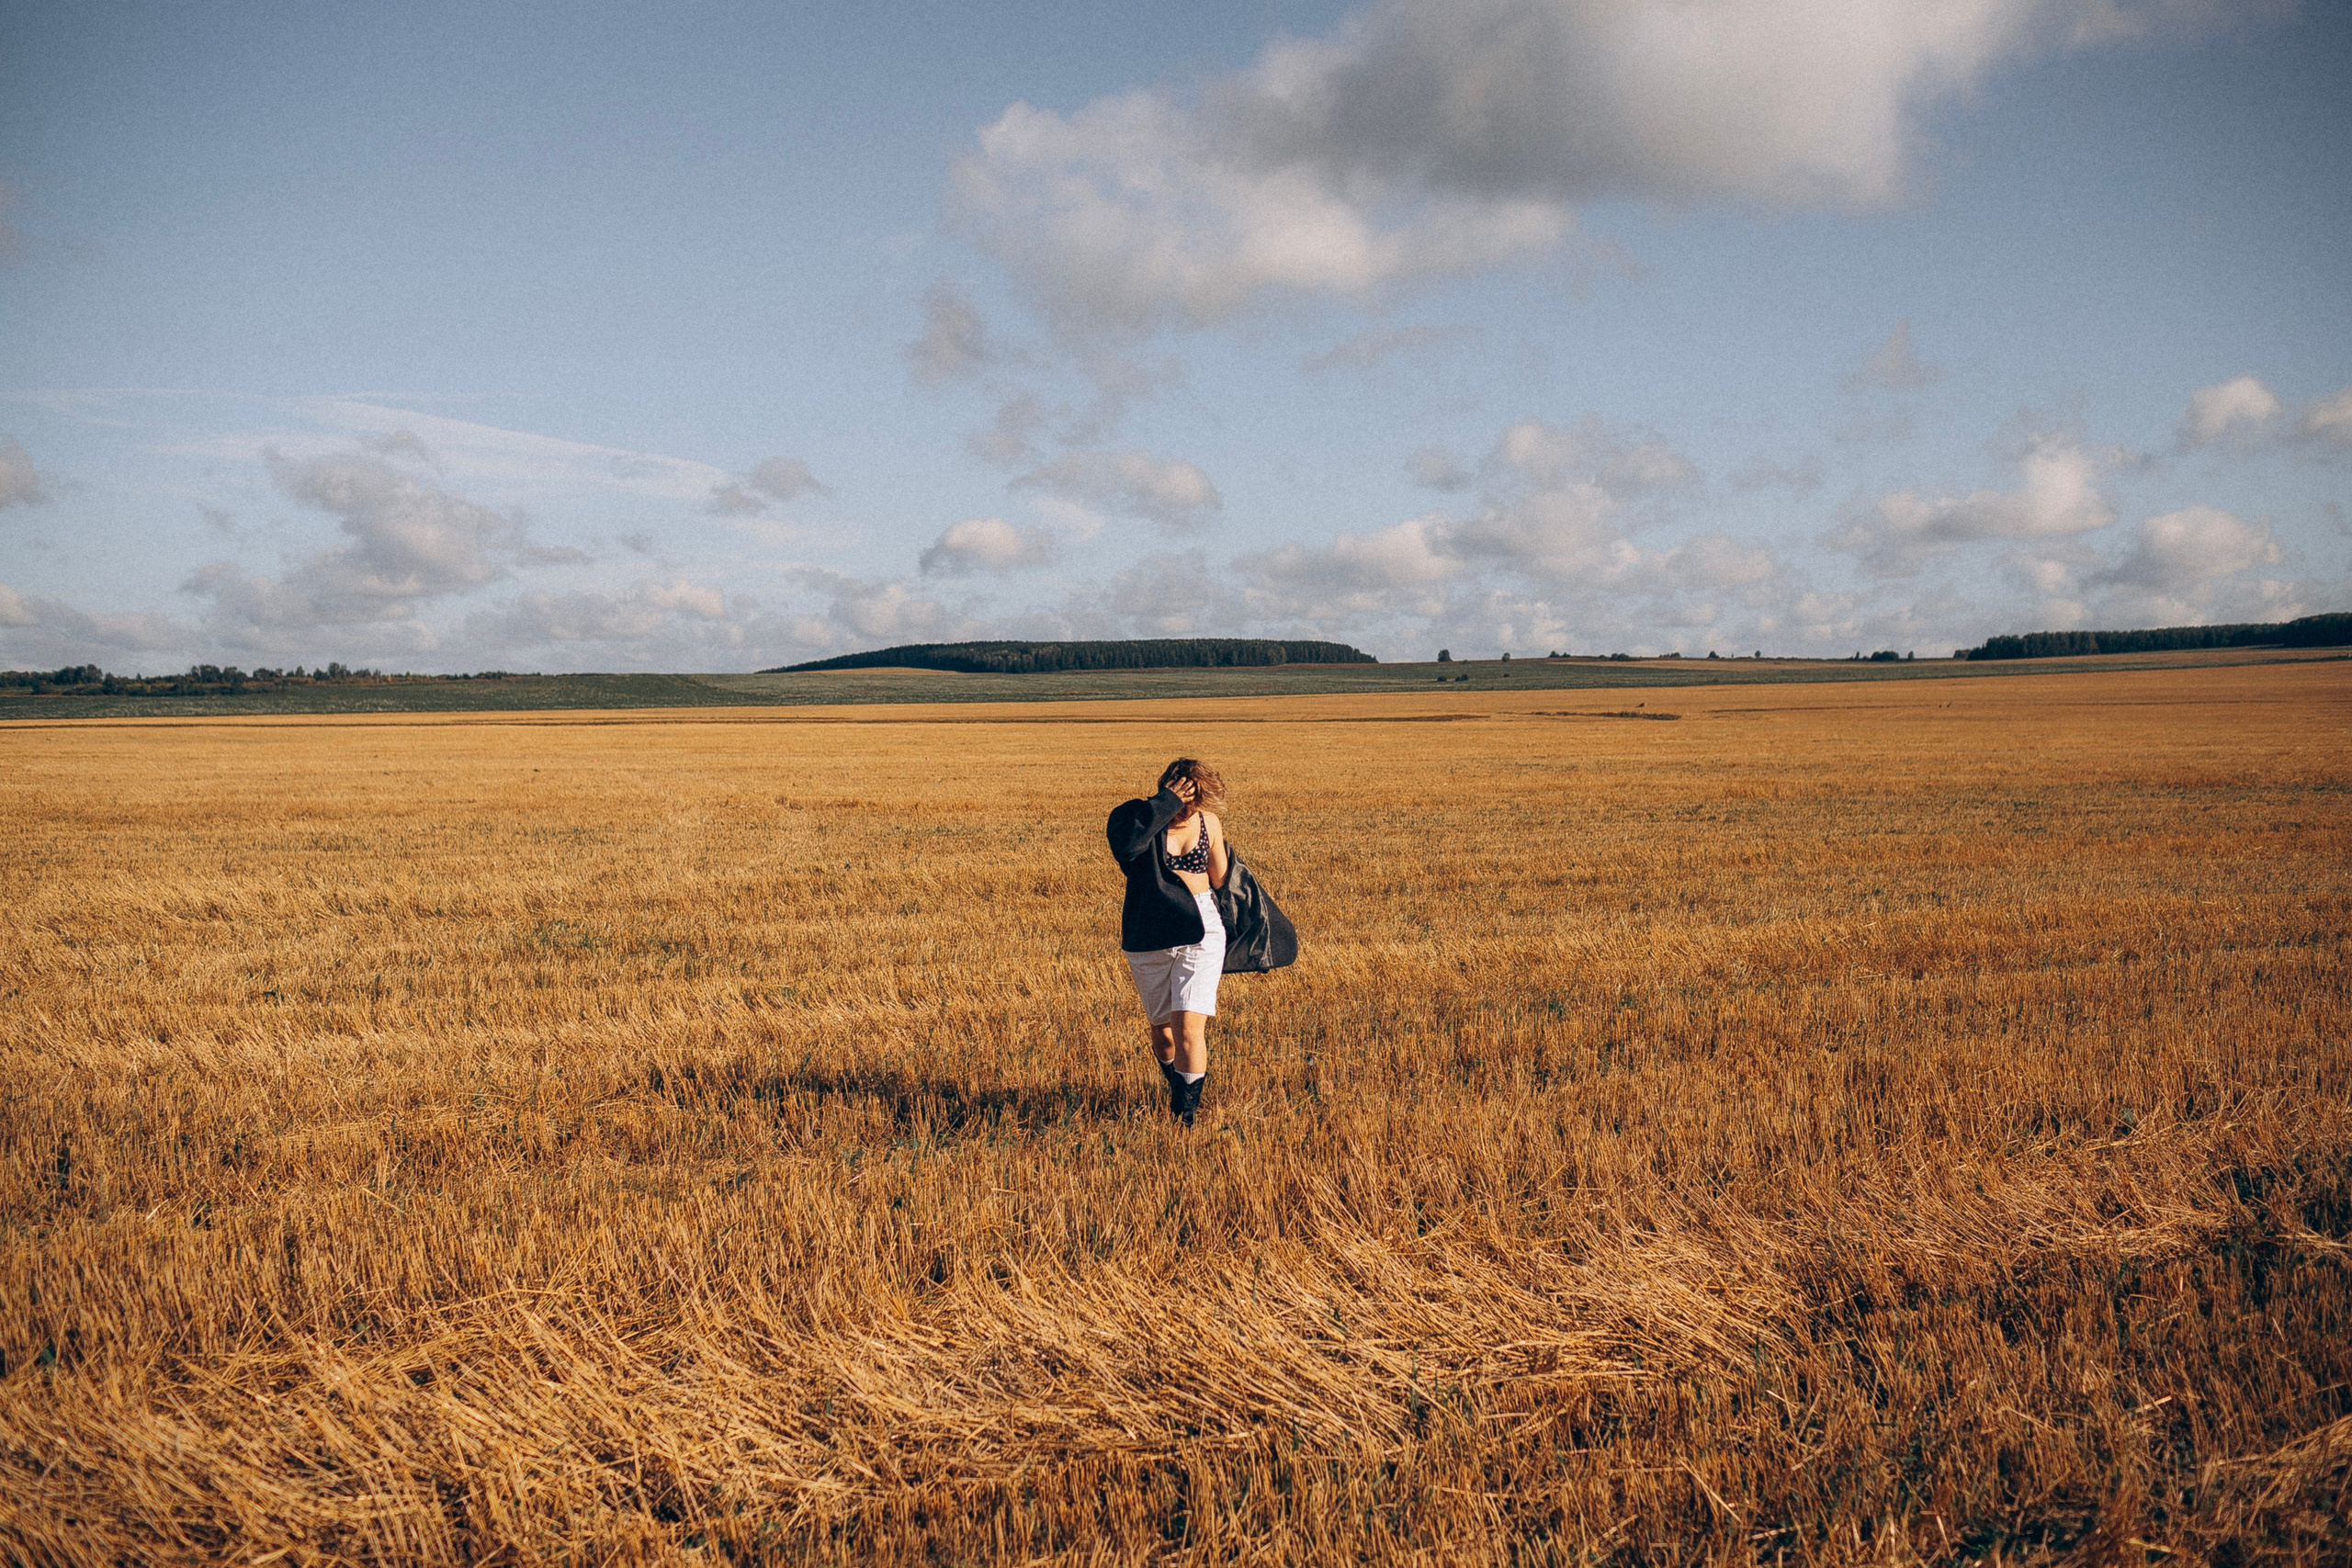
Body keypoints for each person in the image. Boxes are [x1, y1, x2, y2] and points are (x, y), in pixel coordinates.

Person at [1104, 759, 1229, 1125]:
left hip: (1201, 932)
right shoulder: (1136, 819)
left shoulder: (1209, 823)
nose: (1185, 811)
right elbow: (1127, 848)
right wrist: (1164, 805)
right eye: (1181, 798)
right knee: (1163, 1035)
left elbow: (1221, 880)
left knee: (1188, 1030)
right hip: (1149, 934)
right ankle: (1177, 1087)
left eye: (1192, 801)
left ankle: (1183, 1119)